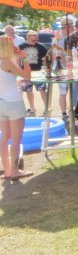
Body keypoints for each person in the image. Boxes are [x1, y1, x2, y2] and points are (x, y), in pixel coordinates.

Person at [0, 37, 33, 179]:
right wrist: (25, 59)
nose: (15, 47)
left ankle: (7, 170)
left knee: (5, 137)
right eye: (12, 45)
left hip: (2, 103)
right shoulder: (7, 61)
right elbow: (27, 75)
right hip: (14, 103)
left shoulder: (4, 61)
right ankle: (14, 170)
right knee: (15, 139)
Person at [18, 31, 48, 116]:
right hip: (26, 73)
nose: (35, 41)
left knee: (42, 90)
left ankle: (46, 108)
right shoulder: (21, 46)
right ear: (28, 38)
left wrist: (46, 64)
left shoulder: (41, 47)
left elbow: (46, 59)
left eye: (36, 38)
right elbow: (17, 59)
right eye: (33, 39)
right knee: (28, 90)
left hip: (39, 72)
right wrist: (18, 69)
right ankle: (32, 108)